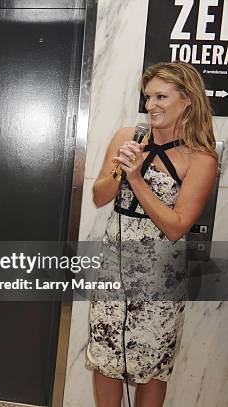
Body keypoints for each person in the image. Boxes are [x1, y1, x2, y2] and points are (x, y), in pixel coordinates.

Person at [86, 61, 218, 407]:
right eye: (147, 97)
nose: (151, 105)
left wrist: (137, 180)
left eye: (161, 96)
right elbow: (100, 196)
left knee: (153, 361)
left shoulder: (201, 158)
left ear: (187, 99)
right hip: (114, 270)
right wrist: (119, 169)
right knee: (106, 353)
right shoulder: (127, 137)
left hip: (161, 277)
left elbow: (176, 227)